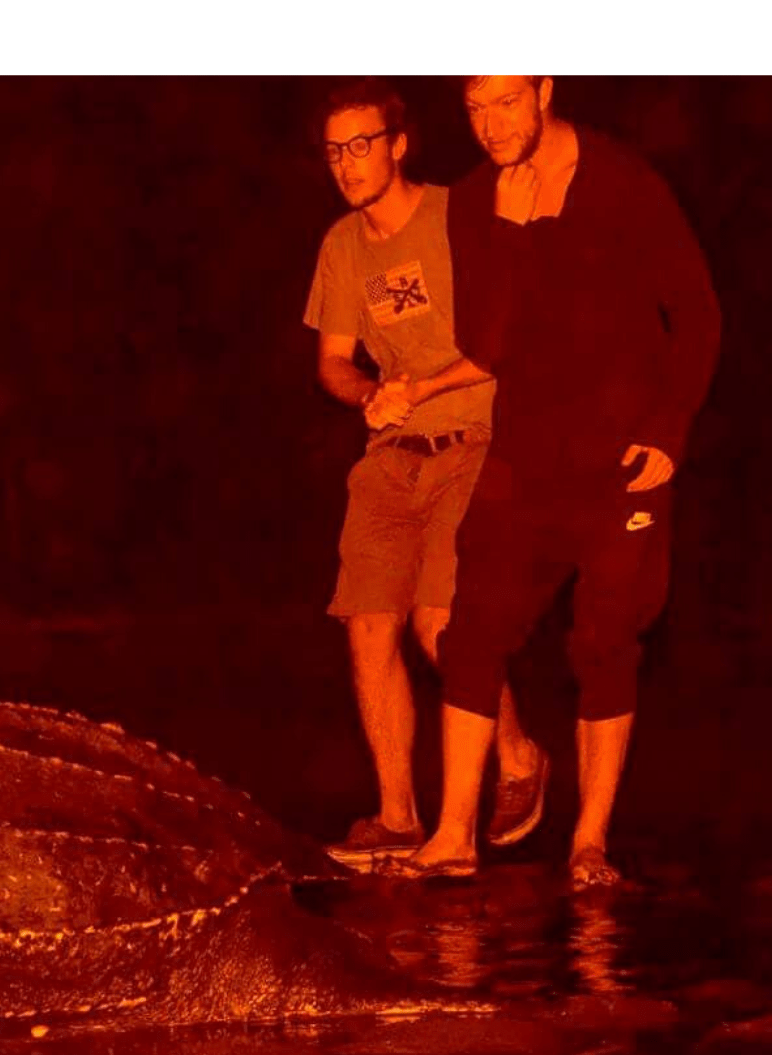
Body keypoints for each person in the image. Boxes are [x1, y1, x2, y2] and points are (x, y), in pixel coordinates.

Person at [382, 76, 721, 885]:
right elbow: (487, 344)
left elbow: (699, 313)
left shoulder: (625, 182)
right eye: (476, 109)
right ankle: (453, 836)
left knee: (604, 642)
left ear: (544, 88)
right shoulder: (474, 201)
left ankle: (589, 844)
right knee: (469, 632)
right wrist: (511, 230)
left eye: (507, 102)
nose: (491, 125)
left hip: (623, 463)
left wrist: (668, 431)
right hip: (524, 462)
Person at [300, 79, 522, 870]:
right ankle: (397, 816)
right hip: (391, 455)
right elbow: (333, 361)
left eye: (362, 145)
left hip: (472, 439)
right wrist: (369, 393)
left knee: (438, 624)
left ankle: (517, 751)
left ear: (398, 146)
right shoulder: (341, 246)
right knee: (367, 627)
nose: (347, 163)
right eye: (335, 150)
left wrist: (420, 389)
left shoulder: (457, 217)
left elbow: (505, 339)